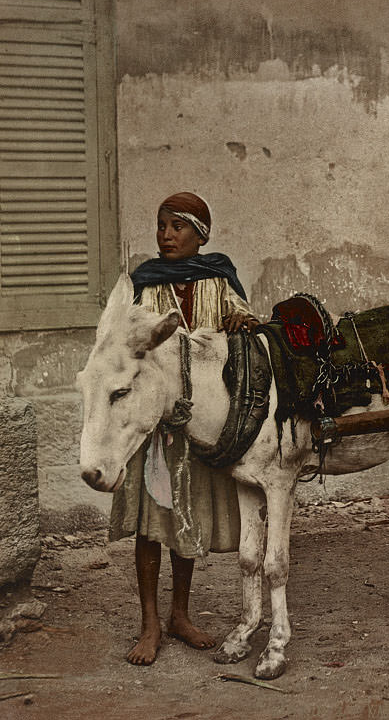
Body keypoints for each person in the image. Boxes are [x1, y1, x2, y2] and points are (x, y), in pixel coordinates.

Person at [108, 191, 258, 666]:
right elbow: (121, 342)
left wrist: (240, 321)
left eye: (178, 227)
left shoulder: (219, 278)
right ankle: (150, 624)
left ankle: (180, 614)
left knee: (186, 517)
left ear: (201, 235)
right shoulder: (143, 285)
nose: (167, 235)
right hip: (153, 427)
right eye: (161, 226)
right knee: (152, 525)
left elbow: (249, 325)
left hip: (199, 422)